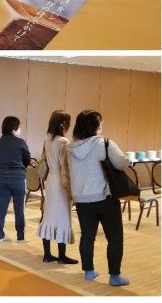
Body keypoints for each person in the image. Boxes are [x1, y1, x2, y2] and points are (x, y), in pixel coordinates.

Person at [67, 110, 130, 286]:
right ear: (96, 126)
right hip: (105, 197)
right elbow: (121, 162)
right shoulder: (104, 143)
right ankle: (115, 276)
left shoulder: (71, 147)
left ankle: (89, 271)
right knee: (115, 238)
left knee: (87, 236)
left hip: (81, 199)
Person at [36, 110, 78, 264]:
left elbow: (44, 161)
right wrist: (72, 190)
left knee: (49, 216)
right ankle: (62, 256)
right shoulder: (64, 142)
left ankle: (47, 255)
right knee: (63, 218)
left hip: (50, 181)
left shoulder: (47, 140)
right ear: (63, 124)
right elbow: (65, 168)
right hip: (61, 183)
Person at [0, 116, 31, 242]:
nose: (20, 129)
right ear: (14, 128)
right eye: (19, 127)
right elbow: (27, 160)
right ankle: (20, 237)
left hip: (2, 177)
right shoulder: (21, 142)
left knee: (1, 207)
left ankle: (0, 236)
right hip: (18, 178)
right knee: (19, 209)